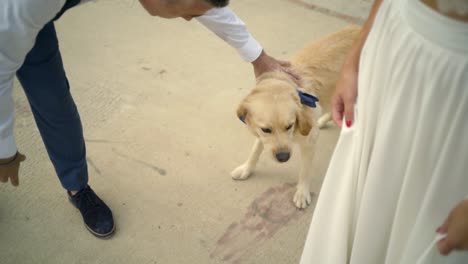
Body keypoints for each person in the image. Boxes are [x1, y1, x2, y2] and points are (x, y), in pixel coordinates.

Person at [0, 0, 298, 238]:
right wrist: (4, 150)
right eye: (186, 13)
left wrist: (258, 56)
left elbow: (207, 8)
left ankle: (76, 187)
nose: (187, 19)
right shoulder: (25, 6)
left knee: (55, 102)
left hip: (32, 24)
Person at [300, 0, 468, 263]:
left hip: (456, 87)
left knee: (421, 207)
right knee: (372, 184)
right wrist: (354, 59)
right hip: (391, 40)